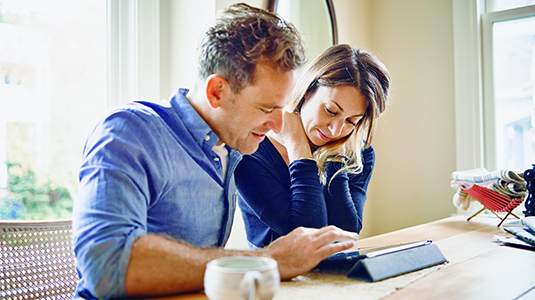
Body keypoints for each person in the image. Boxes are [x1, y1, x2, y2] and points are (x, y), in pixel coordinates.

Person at [72, 4, 359, 300]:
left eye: (281, 107)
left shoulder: (231, 150)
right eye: (267, 108)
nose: (279, 123)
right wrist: (270, 259)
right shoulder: (128, 132)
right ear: (217, 92)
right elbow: (104, 268)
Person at [235, 44, 391, 248]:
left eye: (352, 121)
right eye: (331, 111)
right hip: (275, 274)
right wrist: (299, 148)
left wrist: (335, 160)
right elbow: (307, 236)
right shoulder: (251, 150)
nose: (336, 131)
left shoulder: (359, 154)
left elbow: (344, 235)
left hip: (337, 275)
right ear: (307, 91)